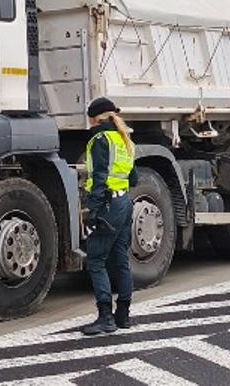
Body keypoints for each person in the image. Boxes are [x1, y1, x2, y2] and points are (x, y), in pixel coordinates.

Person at [78, 96, 138, 335]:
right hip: (124, 201)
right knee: (120, 259)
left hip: (108, 204)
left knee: (95, 260)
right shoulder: (125, 139)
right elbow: (133, 178)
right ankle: (123, 315)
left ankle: (105, 317)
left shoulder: (99, 139)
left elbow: (100, 177)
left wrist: (93, 209)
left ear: (94, 118)